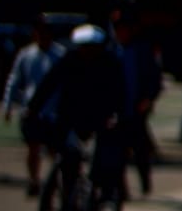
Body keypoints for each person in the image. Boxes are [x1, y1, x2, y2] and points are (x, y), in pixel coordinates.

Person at [31, 23, 126, 186]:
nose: (87, 51)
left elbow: (119, 92)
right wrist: (33, 107)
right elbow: (49, 84)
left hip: (99, 115)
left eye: (91, 47)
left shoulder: (109, 63)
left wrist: (116, 114)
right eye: (83, 47)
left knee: (101, 155)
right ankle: (68, 191)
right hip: (70, 114)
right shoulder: (70, 60)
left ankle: (99, 188)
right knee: (66, 155)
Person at [2, 18, 63, 190]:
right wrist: (8, 105)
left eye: (46, 32)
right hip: (31, 109)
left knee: (54, 150)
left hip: (54, 111)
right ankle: (33, 180)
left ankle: (55, 178)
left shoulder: (60, 55)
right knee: (33, 147)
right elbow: (14, 80)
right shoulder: (26, 55)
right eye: (39, 32)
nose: (43, 36)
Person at [111, 9, 163, 195]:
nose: (120, 33)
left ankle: (145, 182)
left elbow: (155, 79)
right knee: (118, 152)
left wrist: (148, 99)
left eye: (123, 29)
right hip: (117, 110)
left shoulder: (141, 50)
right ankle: (121, 187)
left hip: (137, 109)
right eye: (117, 29)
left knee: (140, 149)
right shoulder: (112, 51)